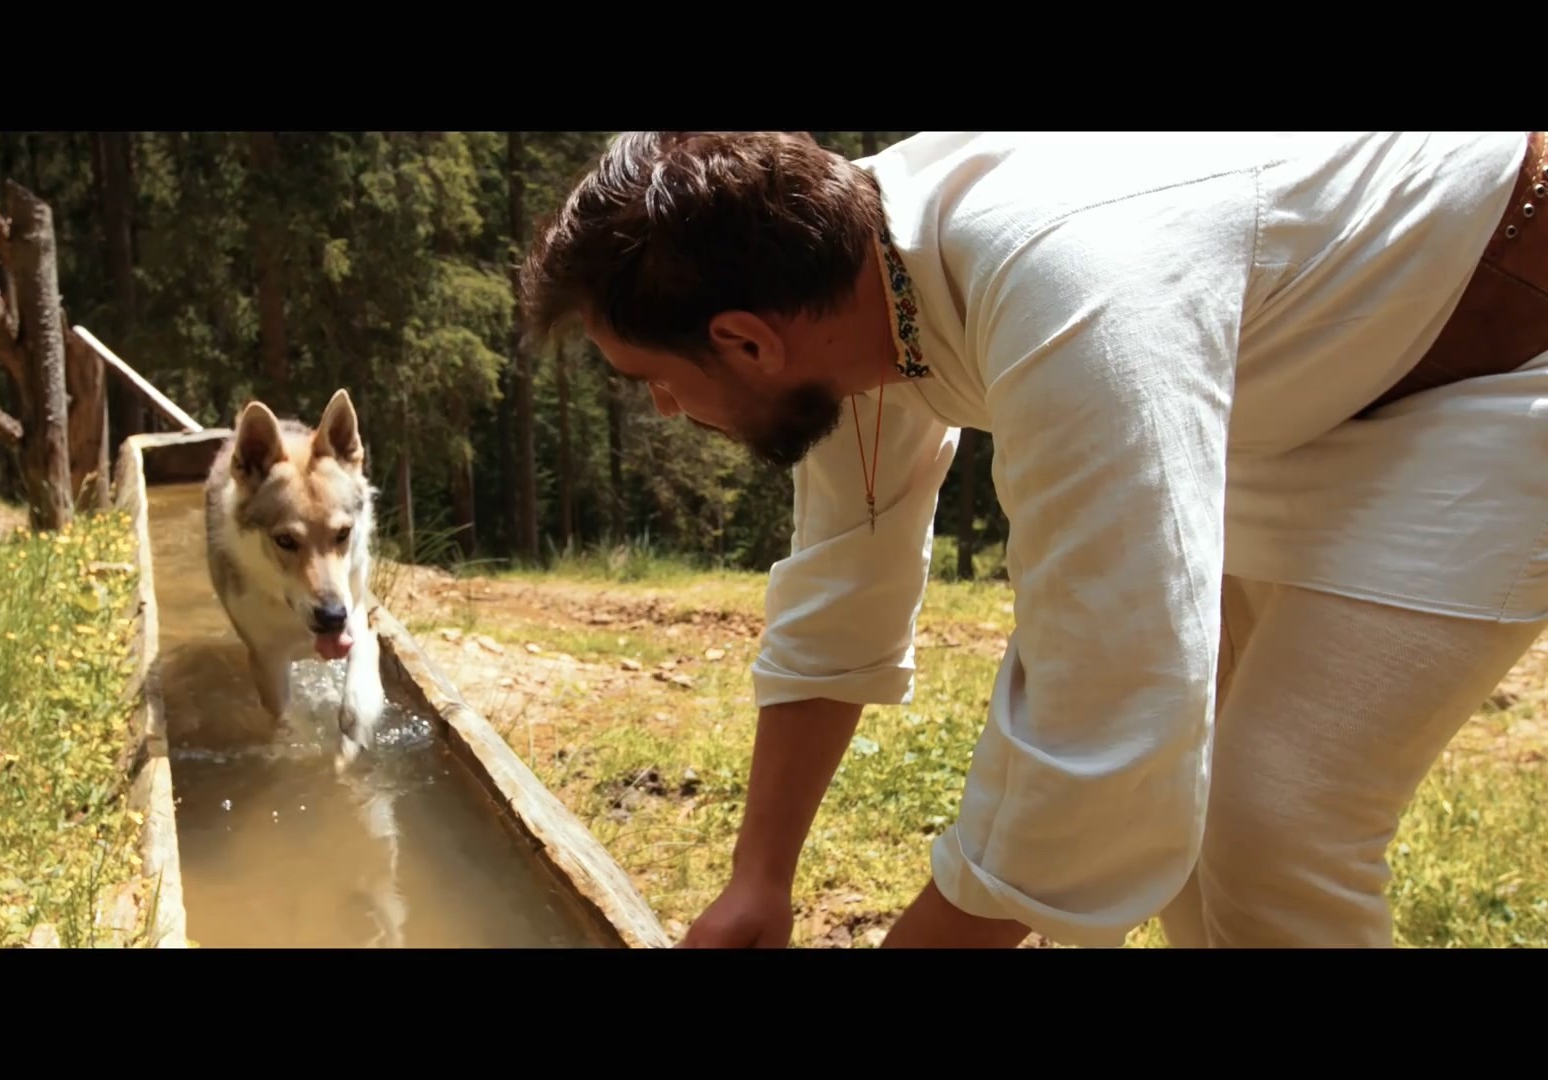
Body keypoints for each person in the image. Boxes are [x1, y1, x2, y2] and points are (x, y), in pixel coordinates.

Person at [517, 131, 1548, 949]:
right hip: (1305, 354)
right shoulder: (836, 270)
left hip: (1502, 343)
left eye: (647, 376)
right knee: (1202, 863)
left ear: (745, 340)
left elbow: (1108, 715)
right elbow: (845, 586)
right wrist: (760, 882)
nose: (658, 407)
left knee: (1271, 827)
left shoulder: (1072, 288)